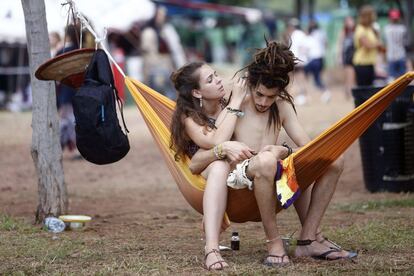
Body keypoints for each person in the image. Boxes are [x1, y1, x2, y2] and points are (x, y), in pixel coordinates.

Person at [188, 41, 357, 268]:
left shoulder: (282, 106)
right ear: (252, 84)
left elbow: (310, 149)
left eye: (271, 97)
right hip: (240, 179)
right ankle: (274, 244)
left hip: (276, 177)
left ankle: (308, 238)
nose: (263, 102)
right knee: (267, 161)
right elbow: (207, 150)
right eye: (259, 94)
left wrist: (284, 150)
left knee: (334, 159)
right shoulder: (234, 100)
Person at [170, 62, 254, 270]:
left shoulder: (228, 105)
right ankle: (212, 249)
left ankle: (213, 216)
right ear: (197, 92)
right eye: (210, 80)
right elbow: (214, 142)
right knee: (218, 166)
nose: (218, 80)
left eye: (216, 75)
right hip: (208, 175)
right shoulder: (188, 117)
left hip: (241, 173)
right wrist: (223, 149)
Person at [141, 5, 186, 100]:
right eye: (160, 15)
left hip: (166, 67)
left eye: (163, 15)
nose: (162, 17)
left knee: (170, 96)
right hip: (154, 69)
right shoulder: (148, 32)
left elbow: (174, 49)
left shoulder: (167, 30)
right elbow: (147, 54)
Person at [353, 5, 384, 87]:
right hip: (362, 64)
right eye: (373, 14)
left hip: (370, 63)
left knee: (369, 89)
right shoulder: (360, 29)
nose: (374, 16)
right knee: (363, 89)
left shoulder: (370, 28)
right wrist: (378, 44)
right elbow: (367, 45)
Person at [304, 19, 331, 103]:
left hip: (314, 59)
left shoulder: (310, 36)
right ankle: (324, 92)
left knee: (308, 76)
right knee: (316, 78)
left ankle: (306, 95)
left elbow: (306, 48)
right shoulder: (321, 33)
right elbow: (326, 44)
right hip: (319, 58)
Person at [284, 18, 309, 105]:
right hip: (298, 59)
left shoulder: (297, 34)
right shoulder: (298, 34)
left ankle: (302, 95)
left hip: (297, 59)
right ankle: (301, 95)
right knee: (298, 78)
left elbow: (303, 46)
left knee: (299, 77)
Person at [384, 9, 408, 81]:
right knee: (403, 80)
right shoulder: (403, 28)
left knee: (391, 79)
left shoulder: (387, 29)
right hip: (401, 54)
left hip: (391, 56)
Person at [337, 16, 356, 99]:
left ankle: (350, 91)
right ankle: (348, 92)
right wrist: (339, 57)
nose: (350, 23)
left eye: (351, 21)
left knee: (352, 75)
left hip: (354, 55)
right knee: (348, 75)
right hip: (347, 56)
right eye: (348, 21)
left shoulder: (356, 31)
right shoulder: (343, 32)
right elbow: (340, 45)